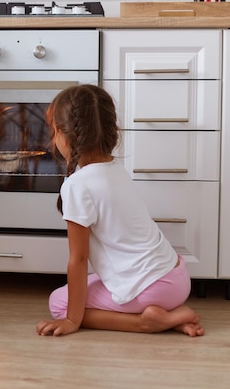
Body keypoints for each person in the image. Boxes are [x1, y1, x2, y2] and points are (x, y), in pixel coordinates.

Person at [35, 84, 204, 338]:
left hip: (151, 288)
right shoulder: (115, 169)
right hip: (176, 279)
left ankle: (148, 322)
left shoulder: (78, 185)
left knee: (59, 302)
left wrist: (72, 319)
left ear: (64, 135)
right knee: (92, 284)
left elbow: (79, 260)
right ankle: (168, 317)